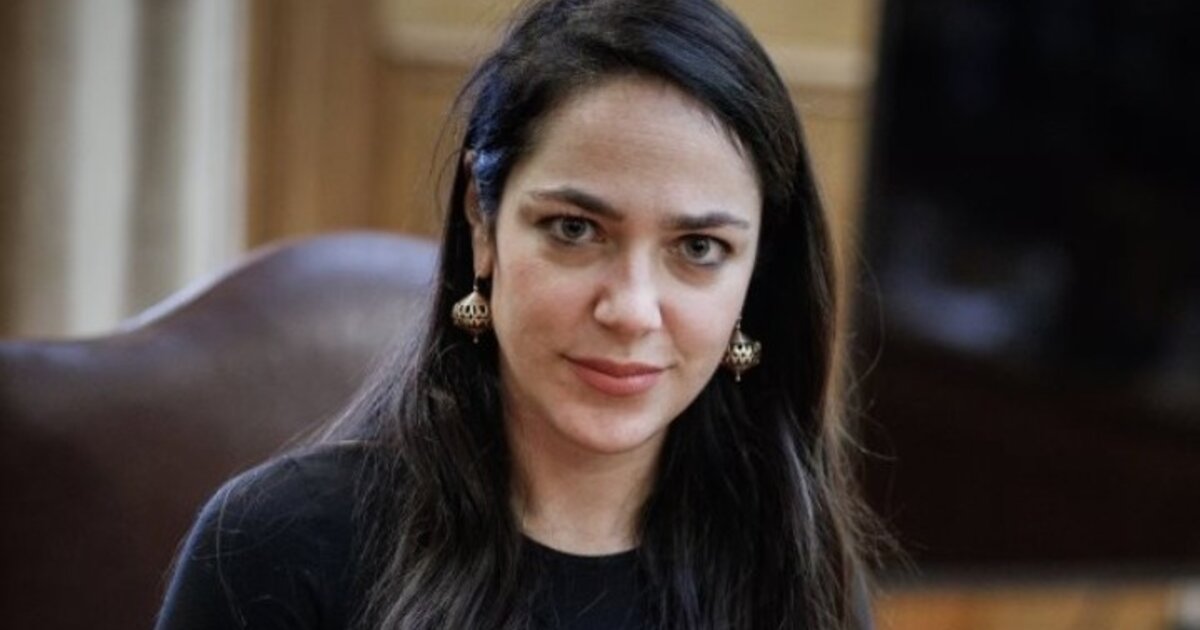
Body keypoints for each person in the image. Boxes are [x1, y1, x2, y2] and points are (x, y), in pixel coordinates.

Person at [156, 0, 876, 628]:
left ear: (756, 272)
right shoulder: (275, 548)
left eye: (698, 248)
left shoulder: (795, 563)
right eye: (574, 229)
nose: (631, 310)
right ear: (483, 220)